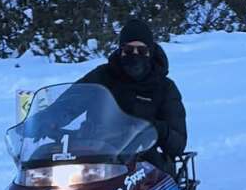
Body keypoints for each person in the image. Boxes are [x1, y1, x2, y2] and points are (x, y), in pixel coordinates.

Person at [77, 16, 187, 164]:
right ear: (121, 51)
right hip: (98, 156)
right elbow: (73, 98)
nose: (135, 55)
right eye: (128, 50)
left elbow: (178, 143)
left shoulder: (164, 87)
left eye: (141, 51)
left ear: (150, 52)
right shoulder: (102, 76)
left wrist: (157, 129)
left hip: (144, 163)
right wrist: (47, 119)